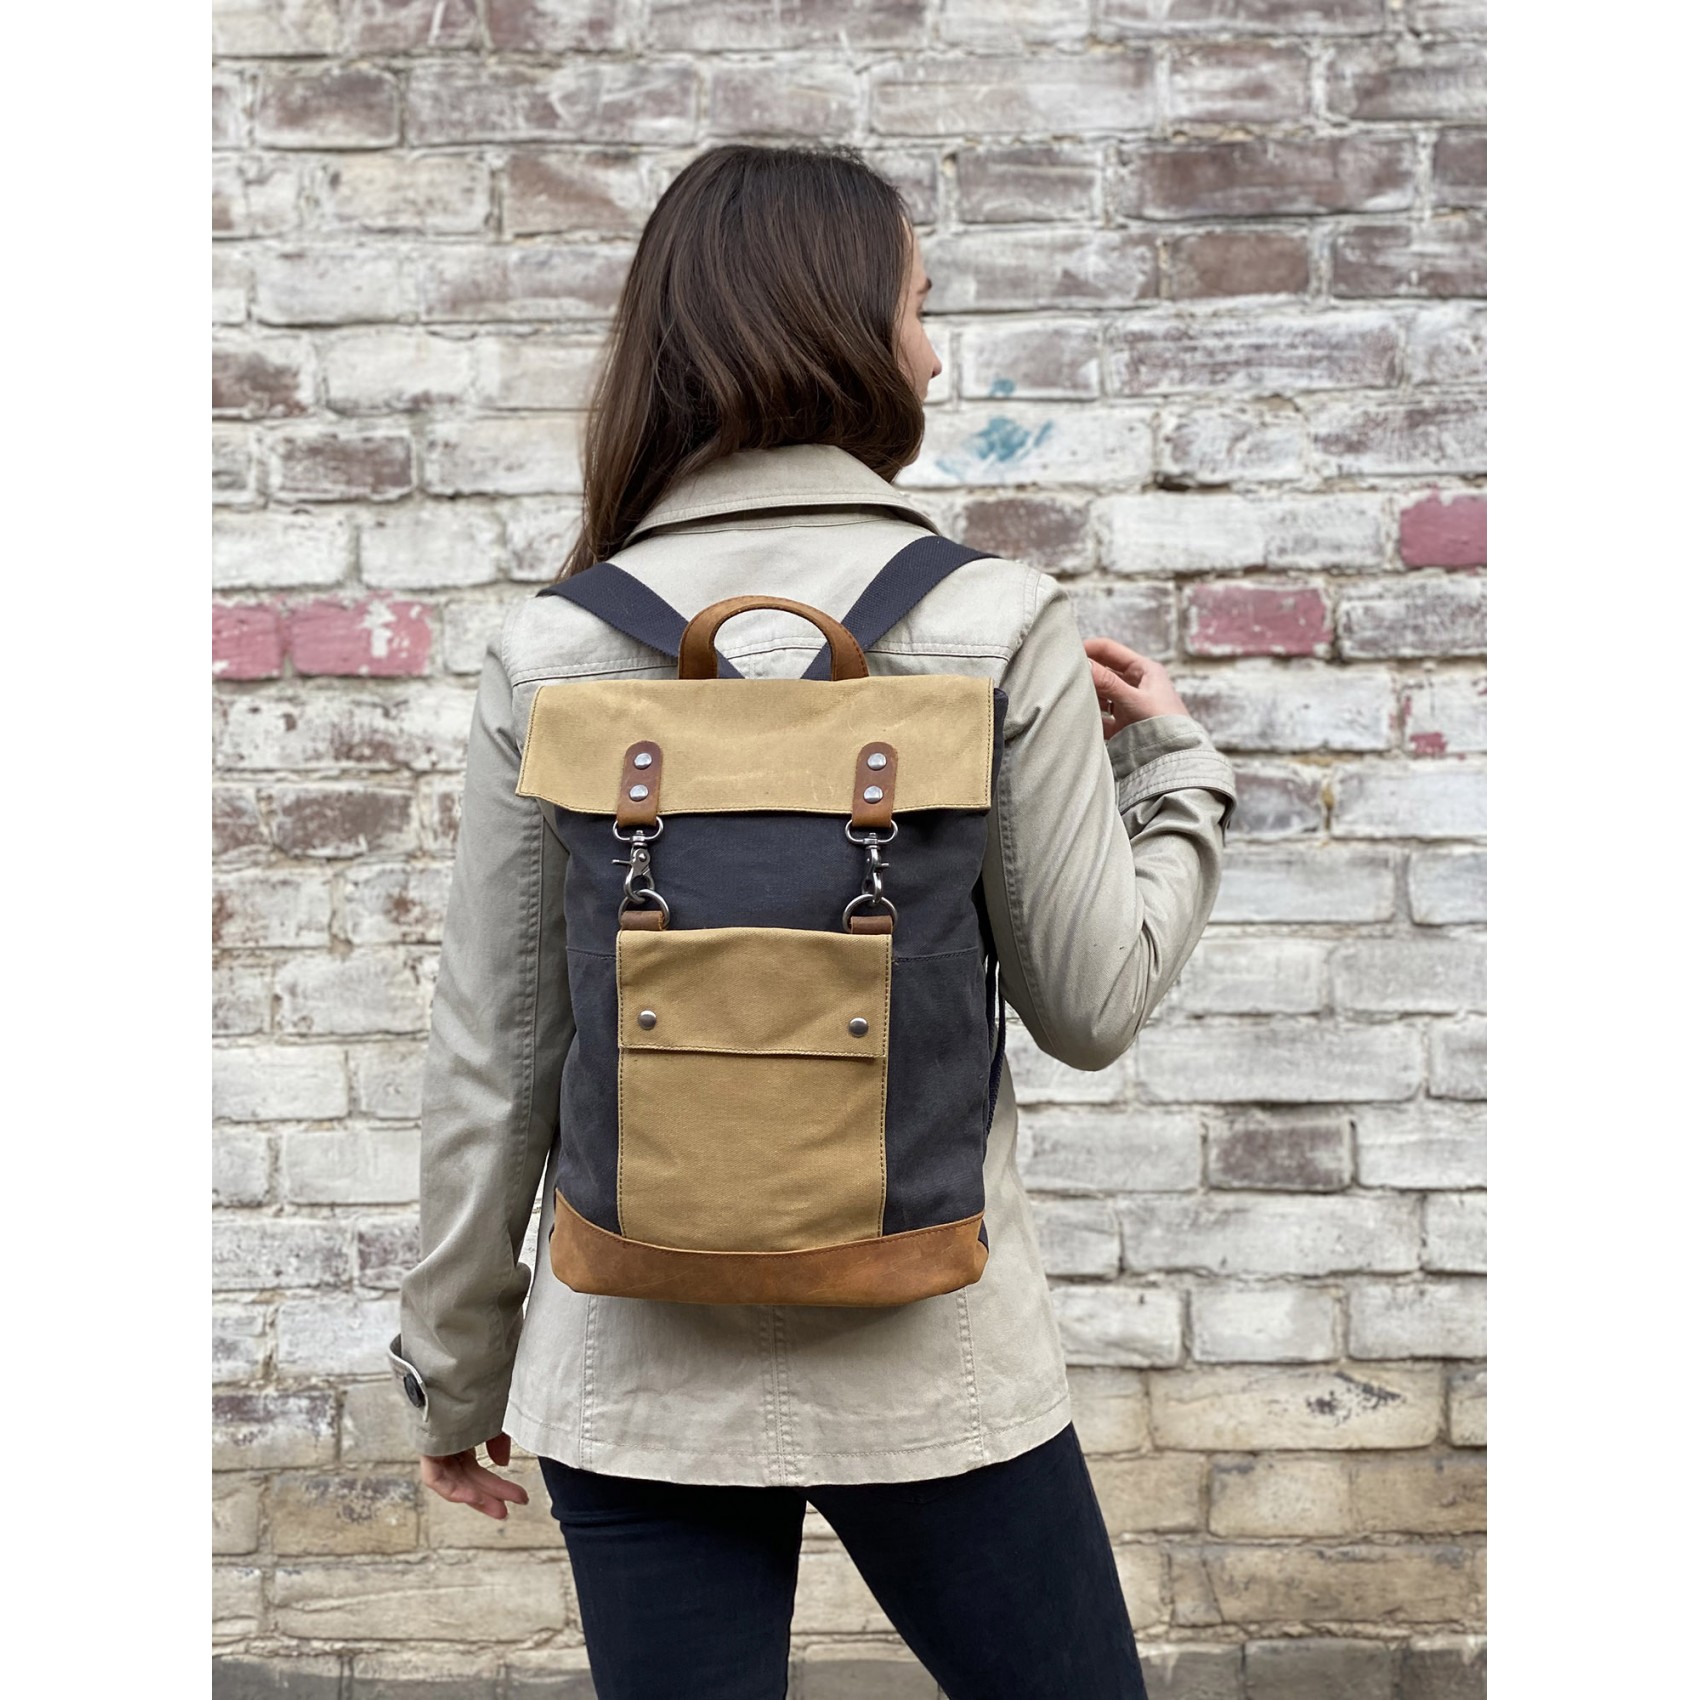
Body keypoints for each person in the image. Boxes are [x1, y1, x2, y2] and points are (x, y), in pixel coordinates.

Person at [389, 143, 1236, 1700]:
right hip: (940, 1366)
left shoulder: (555, 646)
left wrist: (452, 1376)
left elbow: (496, 1058)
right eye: (919, 306)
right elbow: (1092, 1004)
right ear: (842, 329)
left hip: (636, 1373)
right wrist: (1177, 776)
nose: (935, 353)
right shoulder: (992, 623)